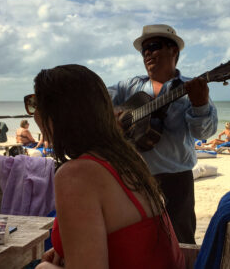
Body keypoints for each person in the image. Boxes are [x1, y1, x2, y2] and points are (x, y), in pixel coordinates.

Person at [26, 65, 185, 269]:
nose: (33, 114)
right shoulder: (129, 157)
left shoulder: (76, 175)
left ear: (56, 113)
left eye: (34, 103)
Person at [107, 24, 218, 244]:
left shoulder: (191, 88)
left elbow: (204, 131)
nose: (147, 53)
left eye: (154, 46)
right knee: (136, 240)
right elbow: (97, 101)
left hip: (176, 180)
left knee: (180, 241)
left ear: (174, 51)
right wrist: (113, 117)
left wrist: (201, 104)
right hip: (133, 177)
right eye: (144, 49)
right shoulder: (129, 86)